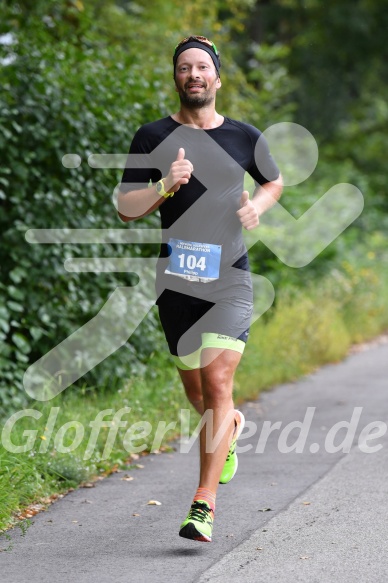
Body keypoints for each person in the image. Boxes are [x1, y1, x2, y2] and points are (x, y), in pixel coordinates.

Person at [118, 35, 283, 542]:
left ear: (217, 78)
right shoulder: (151, 136)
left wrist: (259, 205)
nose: (193, 74)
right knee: (199, 392)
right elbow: (126, 206)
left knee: (217, 383)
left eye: (202, 67)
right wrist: (166, 184)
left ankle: (203, 505)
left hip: (230, 276)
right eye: (184, 67)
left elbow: (274, 181)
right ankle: (227, 430)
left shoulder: (244, 136)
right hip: (175, 282)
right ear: (177, 78)